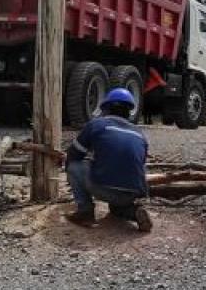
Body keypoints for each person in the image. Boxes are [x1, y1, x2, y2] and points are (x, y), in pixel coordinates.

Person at [64, 88, 152, 231]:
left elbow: (73, 155)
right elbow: (138, 165)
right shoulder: (139, 133)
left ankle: (85, 212)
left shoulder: (96, 124)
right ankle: (135, 212)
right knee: (116, 209)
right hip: (131, 193)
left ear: (106, 108)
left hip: (104, 190)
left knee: (74, 167)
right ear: (129, 111)